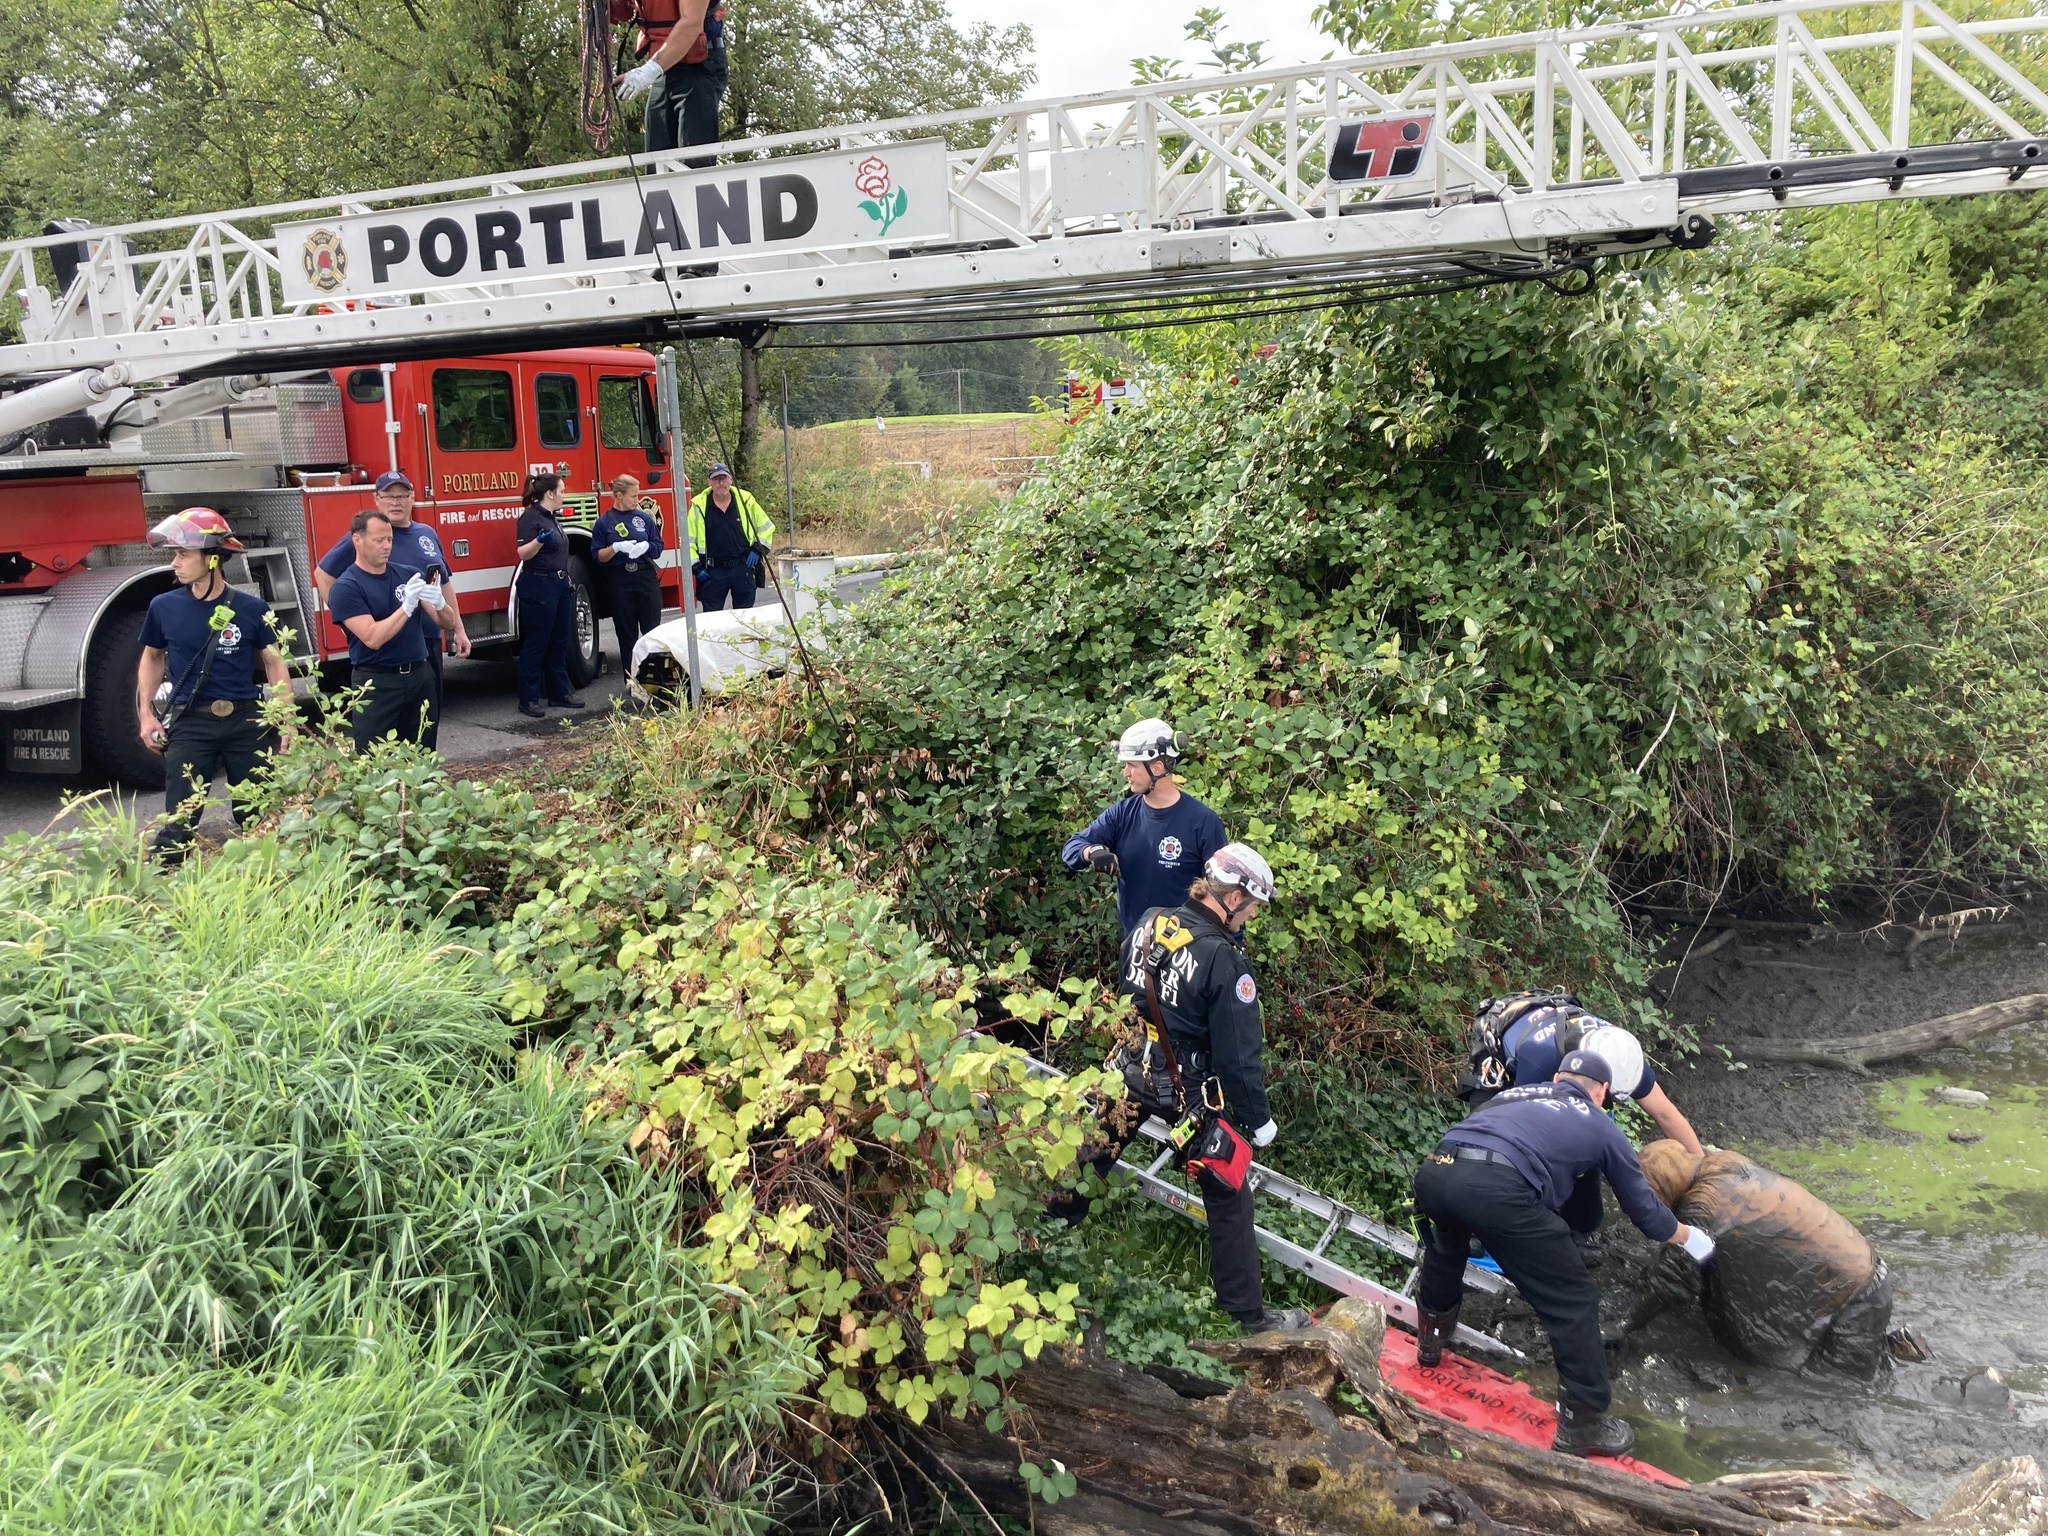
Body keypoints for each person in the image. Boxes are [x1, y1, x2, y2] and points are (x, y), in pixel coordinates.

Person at [1049, 845, 1305, 1336]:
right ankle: (1246, 1314)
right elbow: (1238, 1056)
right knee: (1229, 1191)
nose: (1252, 916)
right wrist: (1258, 1120)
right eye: (1251, 906)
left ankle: (1044, 1241)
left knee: (1087, 1159)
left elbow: (1127, 989)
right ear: (1230, 897)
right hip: (1187, 1090)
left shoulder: (1150, 921)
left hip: (1127, 1067)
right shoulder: (1224, 961)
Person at [1411, 1049, 1716, 1458]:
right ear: (1603, 1093)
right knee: (1573, 1298)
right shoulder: (1598, 1124)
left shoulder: (1514, 1095)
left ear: (1557, 1078)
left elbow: (1575, 1202)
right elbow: (1646, 1213)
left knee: (1447, 1251)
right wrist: (1691, 1238)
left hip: (1437, 1169)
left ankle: (1430, 1344)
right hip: (1497, 1187)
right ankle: (1584, 1424)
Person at [1633, 1141, 1903, 1377]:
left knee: (1836, 1387)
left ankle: (1890, 1350)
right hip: (1864, 1273)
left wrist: (1622, 1326)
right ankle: (1893, 1347)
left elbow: (1672, 1281)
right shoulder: (1725, 1162)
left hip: (1854, 1297)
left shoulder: (1704, 1206)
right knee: (1857, 1365)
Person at [134, 507, 293, 859]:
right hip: (191, 722)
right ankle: (164, 886)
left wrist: (287, 720)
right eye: (174, 554)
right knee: (180, 818)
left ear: (211, 559)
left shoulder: (251, 608)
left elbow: (274, 662)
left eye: (182, 554)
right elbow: (152, 658)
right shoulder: (163, 607)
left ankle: (264, 884)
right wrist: (147, 715)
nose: (174, 563)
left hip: (245, 721)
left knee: (259, 813)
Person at [314, 470, 469, 750]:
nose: (396, 502)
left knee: (423, 743)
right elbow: (324, 575)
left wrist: (451, 619)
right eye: (389, 496)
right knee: (377, 756)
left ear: (412, 498)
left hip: (422, 648)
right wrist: (351, 618)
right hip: (379, 662)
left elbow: (443, 584)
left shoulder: (425, 536)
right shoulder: (361, 541)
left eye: (403, 496)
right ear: (377, 499)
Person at [1472, 998, 1706, 1160]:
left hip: (1562, 1038)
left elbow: (1665, 1114)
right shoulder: (1540, 1060)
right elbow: (1519, 1128)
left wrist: (1700, 1166)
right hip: (1502, 1050)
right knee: (1497, 1144)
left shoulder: (1626, 1060)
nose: (1605, 1100)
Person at [1061, 718, 1228, 936]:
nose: (1126, 773)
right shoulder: (1122, 814)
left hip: (1186, 951)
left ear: (1157, 767)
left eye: (1132, 765)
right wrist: (1091, 852)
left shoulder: (1202, 822)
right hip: (1134, 948)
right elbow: (1072, 847)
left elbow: (1224, 892)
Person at [326, 509, 438, 751]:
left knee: (423, 753)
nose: (386, 546)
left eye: (389, 540)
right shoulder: (346, 587)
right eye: (379, 540)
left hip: (420, 675)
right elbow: (373, 637)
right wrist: (407, 607)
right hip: (377, 681)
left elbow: (444, 622)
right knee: (375, 758)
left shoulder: (407, 574)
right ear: (357, 539)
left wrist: (440, 603)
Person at [615, 0, 727, 166]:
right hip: (665, 67)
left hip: (699, 64)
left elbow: (691, 22)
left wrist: (647, 72)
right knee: (657, 159)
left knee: (695, 159)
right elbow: (620, 11)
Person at [513, 474, 586, 720]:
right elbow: (523, 553)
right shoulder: (530, 518)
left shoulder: (551, 518)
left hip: (558, 583)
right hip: (539, 584)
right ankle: (529, 698)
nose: (564, 495)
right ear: (550, 494)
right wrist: (538, 542)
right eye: (562, 491)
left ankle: (559, 692)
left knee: (559, 640)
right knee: (537, 643)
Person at [592, 474, 666, 678]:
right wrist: (615, 548)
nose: (637, 499)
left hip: (645, 577)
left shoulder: (643, 518)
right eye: (633, 496)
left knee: (652, 630)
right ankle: (632, 678)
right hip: (620, 579)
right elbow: (598, 556)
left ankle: (656, 677)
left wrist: (646, 546)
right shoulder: (604, 523)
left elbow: (658, 546)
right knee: (626, 633)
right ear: (618, 495)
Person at [687, 463, 774, 612]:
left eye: (723, 478)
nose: (720, 483)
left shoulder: (746, 501)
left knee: (745, 618)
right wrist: (696, 568)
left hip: (743, 567)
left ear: (730, 480)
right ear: (709, 483)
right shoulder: (699, 506)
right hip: (713, 571)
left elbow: (766, 528)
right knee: (711, 620)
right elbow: (689, 542)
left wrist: (757, 549)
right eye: (716, 479)